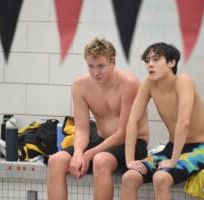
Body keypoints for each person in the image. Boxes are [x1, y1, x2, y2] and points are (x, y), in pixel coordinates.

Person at [47, 37, 149, 200]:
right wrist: (79, 153)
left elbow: (123, 133)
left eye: (101, 66)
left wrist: (88, 155)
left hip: (132, 143)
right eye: (91, 66)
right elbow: (81, 129)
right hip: (102, 141)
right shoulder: (80, 86)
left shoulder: (129, 84)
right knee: (55, 161)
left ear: (113, 63)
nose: (95, 72)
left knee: (100, 160)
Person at [121, 42, 204, 200]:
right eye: (147, 61)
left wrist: (173, 161)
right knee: (129, 177)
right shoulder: (149, 83)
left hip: (197, 149)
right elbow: (132, 120)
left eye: (156, 59)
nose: (150, 65)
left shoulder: (183, 80)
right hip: (171, 147)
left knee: (160, 178)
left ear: (172, 62)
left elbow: (184, 122)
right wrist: (130, 161)